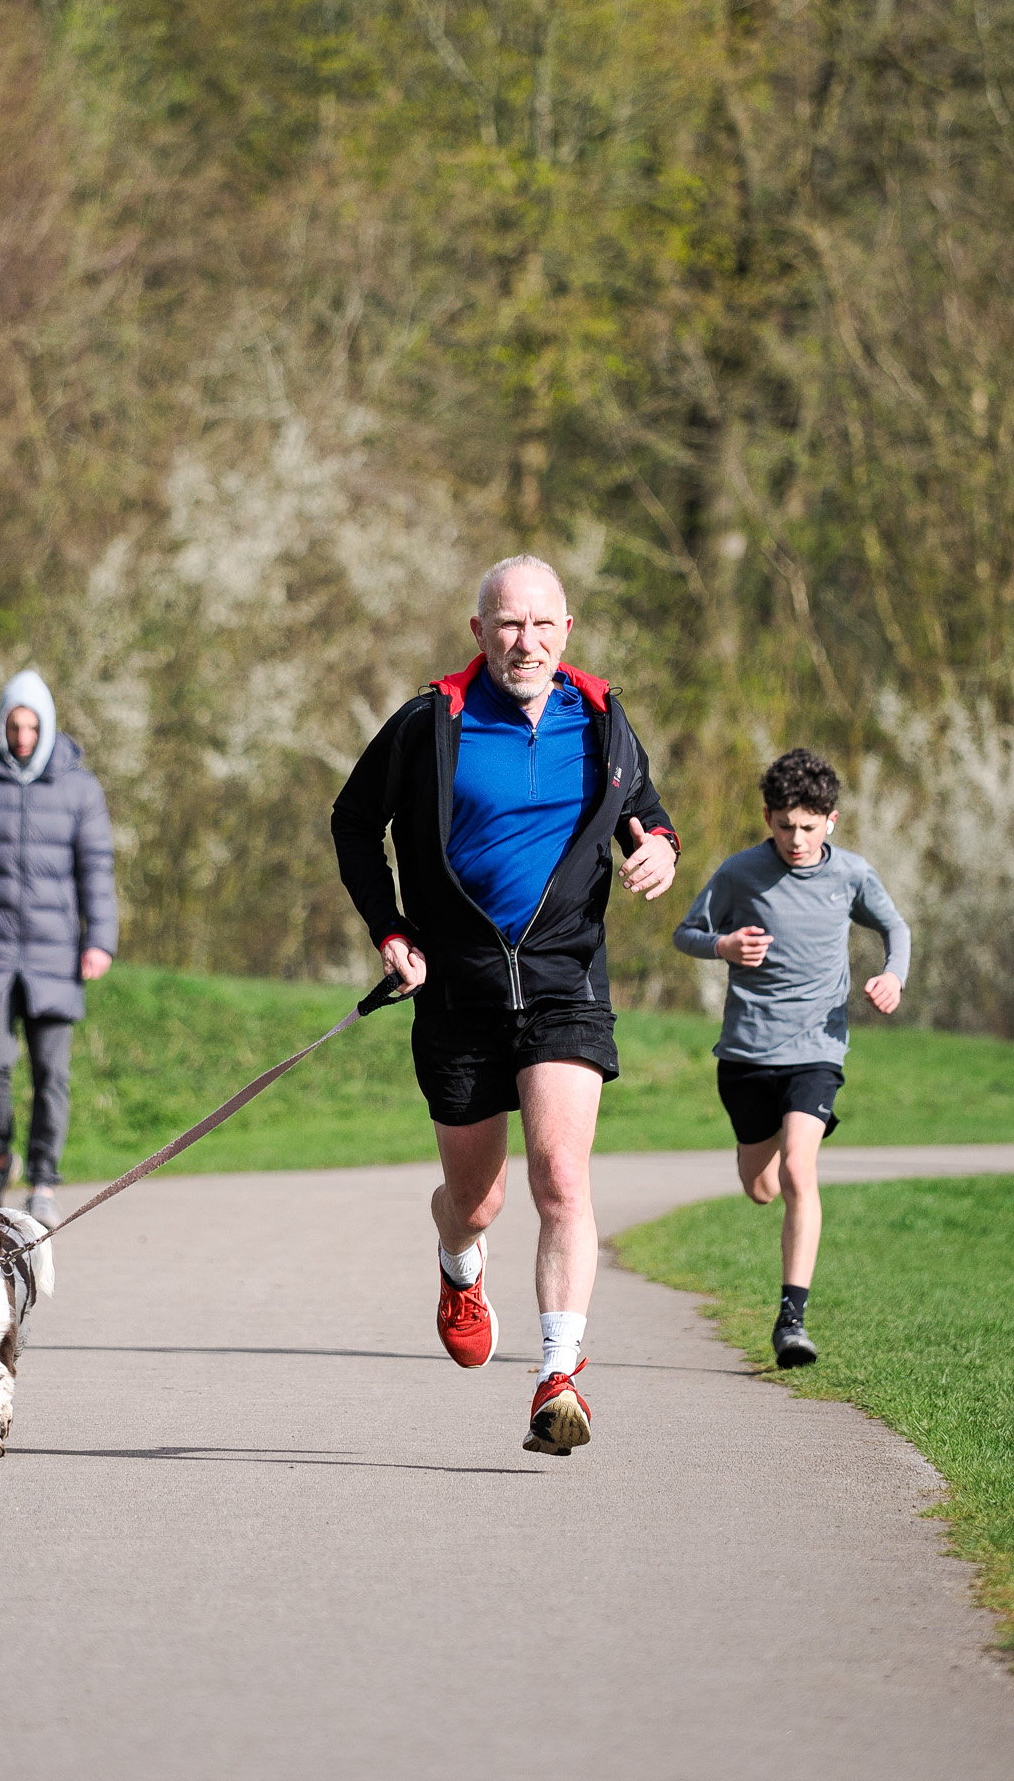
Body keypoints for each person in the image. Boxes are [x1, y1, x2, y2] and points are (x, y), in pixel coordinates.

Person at [332, 556, 679, 1456]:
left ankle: (559, 1374)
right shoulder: (428, 725)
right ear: (479, 632)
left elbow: (641, 803)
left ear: (567, 632)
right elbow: (352, 821)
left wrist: (664, 849)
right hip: (456, 990)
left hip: (566, 980)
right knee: (475, 1202)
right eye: (507, 625)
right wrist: (391, 930)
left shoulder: (600, 717)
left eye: (541, 625)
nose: (525, 642)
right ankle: (458, 1263)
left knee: (561, 1176)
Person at [672, 748, 910, 1367]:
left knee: (801, 1171)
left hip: (818, 1049)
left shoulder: (851, 875)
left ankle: (791, 1321)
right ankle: (768, 1142)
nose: (796, 840)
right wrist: (723, 944)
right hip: (747, 1053)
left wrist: (893, 975)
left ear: (830, 820)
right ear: (767, 818)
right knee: (761, 1187)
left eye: (808, 826)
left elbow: (896, 929)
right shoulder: (741, 872)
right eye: (783, 826)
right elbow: (686, 932)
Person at [0, 670, 117, 1229]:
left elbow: (97, 868)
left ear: (48, 725)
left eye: (33, 726)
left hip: (56, 953)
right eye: (14, 725)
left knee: (50, 1073)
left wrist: (100, 939)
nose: (23, 736)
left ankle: (43, 1178)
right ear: (1, 723)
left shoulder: (80, 788)